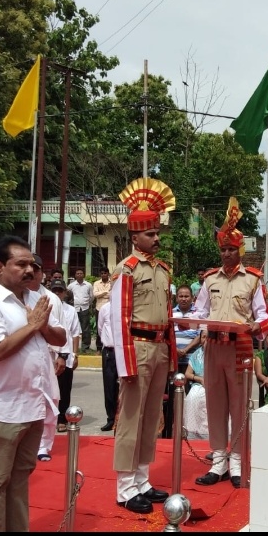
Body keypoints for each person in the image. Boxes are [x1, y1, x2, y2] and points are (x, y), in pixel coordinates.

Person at [0, 235, 66, 532]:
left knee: (20, 478)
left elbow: (60, 338)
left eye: (32, 264)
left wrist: (42, 325)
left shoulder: (36, 299)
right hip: (2, 408)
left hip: (33, 404)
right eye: (20, 264)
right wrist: (32, 326)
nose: (29, 270)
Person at [192, 197, 268, 489]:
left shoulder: (252, 280)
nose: (226, 254)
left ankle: (237, 462)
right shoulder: (209, 279)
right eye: (223, 249)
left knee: (239, 405)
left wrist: (255, 327)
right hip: (213, 347)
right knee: (215, 403)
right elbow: (199, 312)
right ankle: (218, 463)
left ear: (240, 251)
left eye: (231, 249)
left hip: (240, 348)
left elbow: (266, 316)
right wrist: (200, 327)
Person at [109, 177, 177, 514]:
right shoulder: (126, 269)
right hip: (136, 346)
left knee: (152, 418)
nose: (156, 238)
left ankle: (142, 480)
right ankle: (124, 488)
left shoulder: (163, 270)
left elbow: (168, 315)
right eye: (150, 234)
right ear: (135, 236)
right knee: (131, 418)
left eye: (157, 233)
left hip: (159, 348)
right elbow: (117, 320)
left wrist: (172, 355)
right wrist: (126, 364)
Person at [26, 254, 65, 462]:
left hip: (48, 355)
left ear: (42, 273)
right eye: (27, 267)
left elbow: (62, 329)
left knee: (50, 401)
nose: (32, 272)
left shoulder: (51, 299)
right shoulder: (15, 295)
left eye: (36, 268)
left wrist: (62, 355)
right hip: (21, 358)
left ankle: (43, 445)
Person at [46, 278, 81, 437]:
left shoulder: (70, 310)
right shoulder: (45, 307)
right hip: (48, 355)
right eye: (55, 290)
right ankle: (46, 421)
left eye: (60, 290)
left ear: (65, 292)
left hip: (65, 354)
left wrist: (74, 354)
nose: (57, 293)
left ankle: (62, 420)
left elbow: (74, 333)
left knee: (64, 390)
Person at [97, 294, 119, 432]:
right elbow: (100, 329)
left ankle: (121, 419)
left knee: (125, 387)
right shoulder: (104, 308)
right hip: (109, 352)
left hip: (124, 351)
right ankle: (110, 419)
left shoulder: (127, 308)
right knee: (110, 386)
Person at [172, 284, 201, 382]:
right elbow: (167, 334)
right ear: (176, 298)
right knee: (173, 389)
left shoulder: (198, 314)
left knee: (190, 389)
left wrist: (185, 350)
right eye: (181, 296)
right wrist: (176, 350)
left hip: (191, 359)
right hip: (174, 358)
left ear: (192, 298)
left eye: (186, 296)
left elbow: (200, 335)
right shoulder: (171, 314)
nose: (183, 299)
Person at [184, 331, 209, 440]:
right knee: (192, 398)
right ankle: (193, 434)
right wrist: (199, 379)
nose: (206, 340)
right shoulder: (196, 354)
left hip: (216, 385)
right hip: (199, 384)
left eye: (208, 337)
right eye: (203, 337)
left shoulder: (219, 354)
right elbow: (187, 374)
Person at [68, 268, 93, 352]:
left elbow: (91, 297)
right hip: (74, 309)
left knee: (85, 328)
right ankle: (72, 346)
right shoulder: (71, 286)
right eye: (77, 273)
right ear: (75, 275)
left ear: (83, 275)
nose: (79, 275)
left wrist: (87, 304)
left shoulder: (88, 285)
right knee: (72, 327)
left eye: (81, 273)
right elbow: (68, 296)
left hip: (84, 308)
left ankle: (85, 347)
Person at [93, 267, 111, 351]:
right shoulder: (96, 283)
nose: (103, 275)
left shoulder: (112, 282)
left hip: (110, 308)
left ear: (108, 274)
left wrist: (102, 294)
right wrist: (105, 292)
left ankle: (108, 345)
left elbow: (112, 294)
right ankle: (99, 348)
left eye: (105, 273)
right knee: (99, 328)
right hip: (99, 308)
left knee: (109, 327)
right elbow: (95, 294)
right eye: (102, 273)